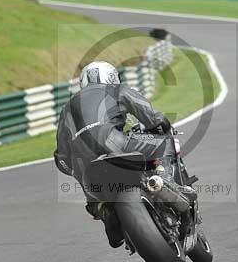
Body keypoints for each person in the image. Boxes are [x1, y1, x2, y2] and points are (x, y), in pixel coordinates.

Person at [54, 61, 186, 247]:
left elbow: (61, 159)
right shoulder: (116, 90)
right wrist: (161, 124)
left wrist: (77, 171)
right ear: (111, 76)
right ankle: (165, 182)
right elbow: (145, 111)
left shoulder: (66, 109)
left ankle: (105, 210)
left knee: (94, 197)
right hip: (116, 143)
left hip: (86, 166)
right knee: (166, 143)